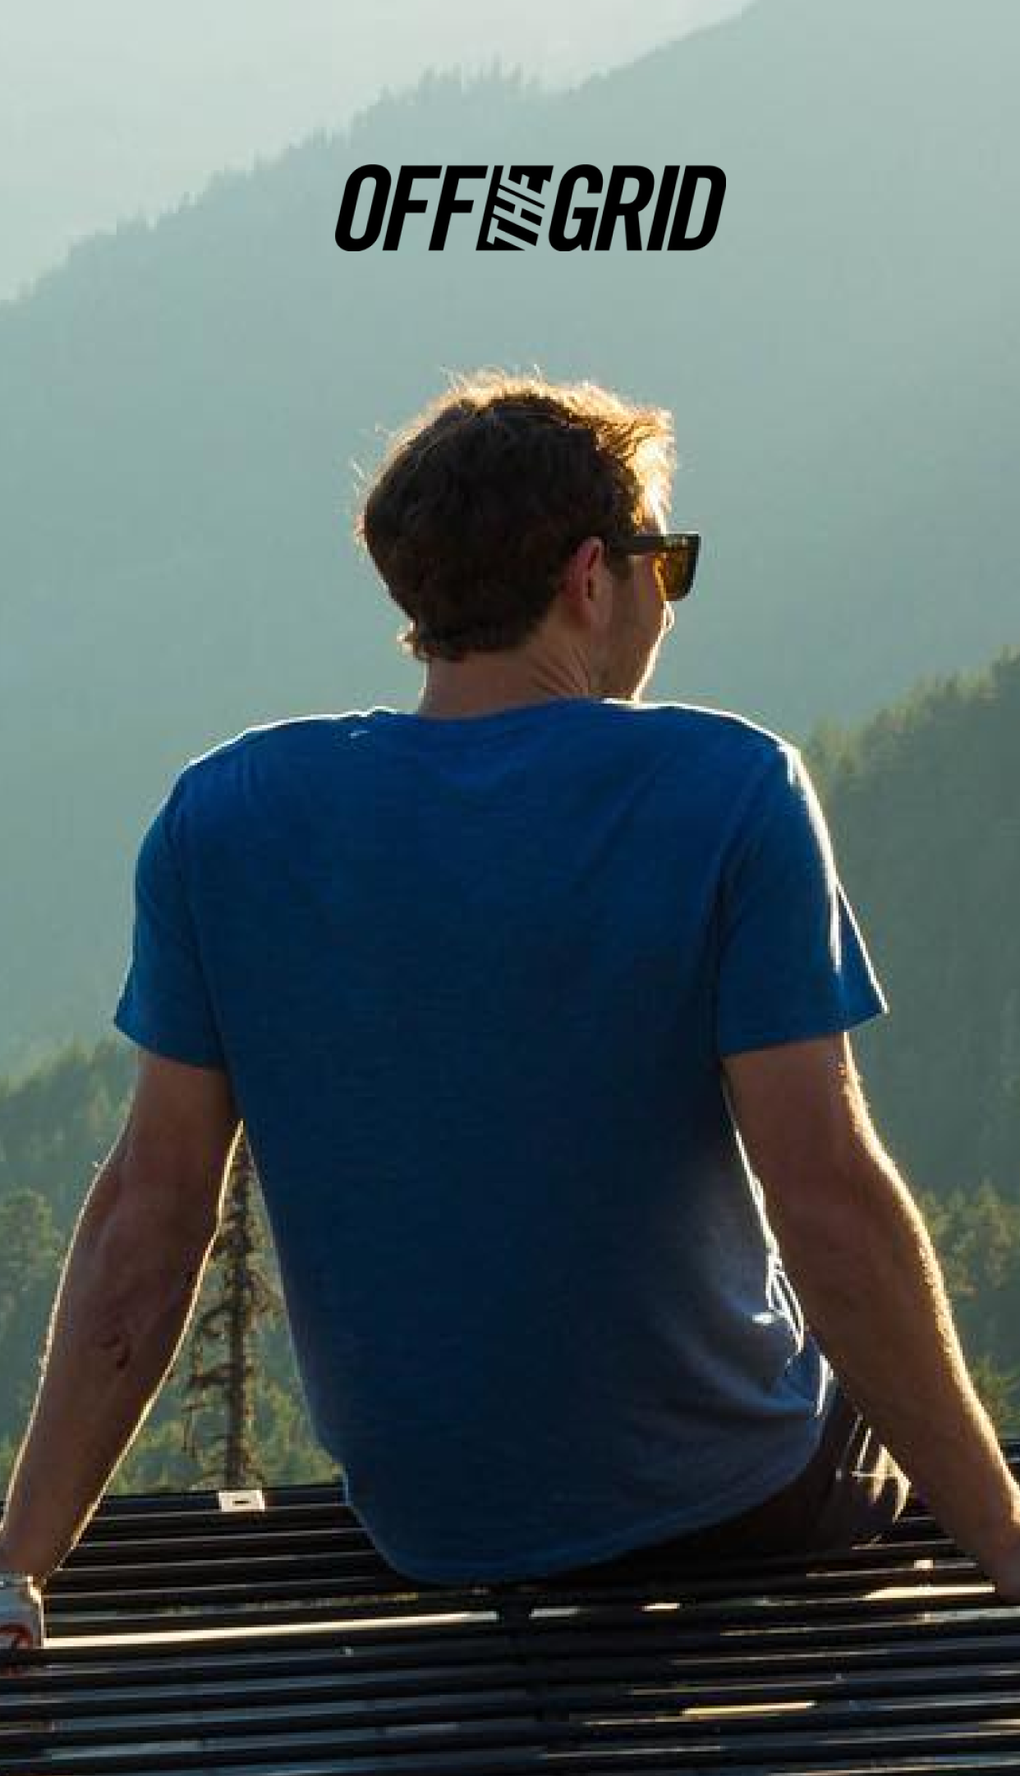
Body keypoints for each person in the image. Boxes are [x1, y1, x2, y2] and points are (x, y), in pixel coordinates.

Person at [2, 372, 1019, 1637]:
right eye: (666, 563)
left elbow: (145, 1230)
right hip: (731, 1497)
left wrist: (18, 1566)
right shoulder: (729, 789)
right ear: (592, 576)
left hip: (433, 1523)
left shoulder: (227, 816)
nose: (667, 598)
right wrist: (1007, 1542)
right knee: (876, 1375)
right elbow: (829, 1204)